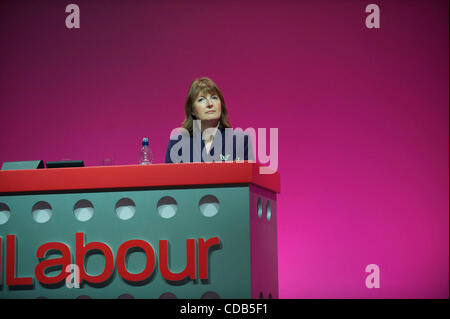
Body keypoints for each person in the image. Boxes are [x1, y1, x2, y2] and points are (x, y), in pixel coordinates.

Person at [165, 77, 254, 163]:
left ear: (221, 105)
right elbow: (169, 178)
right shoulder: (177, 144)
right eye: (201, 99)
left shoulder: (240, 140)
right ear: (192, 110)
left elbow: (250, 176)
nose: (210, 104)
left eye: (214, 98)